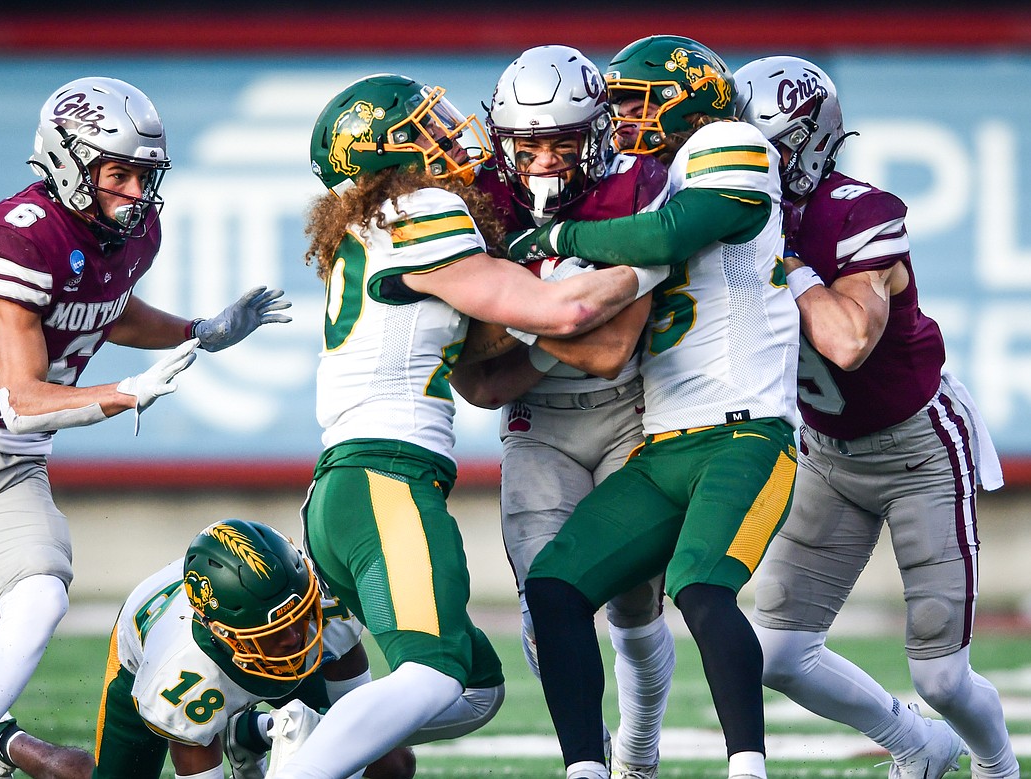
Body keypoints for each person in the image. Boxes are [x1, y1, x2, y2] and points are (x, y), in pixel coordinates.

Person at [0, 76, 291, 779]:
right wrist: (127, 393)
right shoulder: (18, 237)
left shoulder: (133, 230)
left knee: (40, 600)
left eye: (141, 174)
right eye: (115, 172)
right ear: (65, 161)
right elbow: (23, 396)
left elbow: (109, 308)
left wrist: (196, 330)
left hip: (15, 461)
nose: (132, 191)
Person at [270, 72, 652, 779]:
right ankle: (296, 764)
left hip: (351, 483)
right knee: (433, 674)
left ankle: (284, 730)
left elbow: (497, 365)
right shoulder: (421, 211)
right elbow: (560, 312)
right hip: (385, 475)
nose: (450, 135)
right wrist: (652, 257)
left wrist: (545, 338)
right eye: (426, 128)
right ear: (388, 156)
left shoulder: (374, 223)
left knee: (477, 688)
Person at [506, 35, 800, 779]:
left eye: (638, 99)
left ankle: (747, 768)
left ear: (689, 96)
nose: (625, 116)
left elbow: (668, 236)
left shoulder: (731, 145)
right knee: (554, 587)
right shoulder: (660, 178)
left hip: (743, 430)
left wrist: (555, 235)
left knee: (700, 589)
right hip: (662, 441)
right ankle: (586, 768)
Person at [733, 55, 1019, 779]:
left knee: (943, 677)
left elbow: (848, 342)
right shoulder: (731, 222)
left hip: (919, 446)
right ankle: (918, 744)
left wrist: (786, 261)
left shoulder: (857, 211)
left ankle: (997, 764)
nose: (751, 165)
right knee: (776, 654)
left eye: (768, 148)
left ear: (812, 141)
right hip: (826, 452)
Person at [450, 45, 676, 779]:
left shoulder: (638, 185)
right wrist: (556, 327)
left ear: (597, 133)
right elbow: (476, 378)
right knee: (547, 596)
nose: (544, 160)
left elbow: (613, 347)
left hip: (630, 409)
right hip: (536, 423)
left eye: (562, 142)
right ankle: (586, 762)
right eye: (529, 144)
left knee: (635, 603)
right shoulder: (478, 199)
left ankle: (638, 750)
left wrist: (523, 324)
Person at [0, 518, 415, 779]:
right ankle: (4, 740)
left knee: (393, 764)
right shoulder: (181, 676)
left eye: (300, 618)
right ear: (225, 632)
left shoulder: (326, 607)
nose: (297, 639)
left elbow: (362, 727)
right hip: (143, 648)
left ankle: (250, 732)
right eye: (275, 632)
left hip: (232, 651)